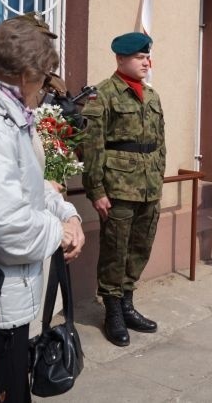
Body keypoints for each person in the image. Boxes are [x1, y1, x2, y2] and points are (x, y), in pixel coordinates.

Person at [0, 20, 86, 402]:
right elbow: (6, 225)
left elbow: (34, 188)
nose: (48, 86)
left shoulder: (16, 115)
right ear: (23, 75)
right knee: (7, 390)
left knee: (16, 386)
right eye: (44, 76)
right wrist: (59, 232)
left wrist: (69, 214)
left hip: (19, 288)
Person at [82, 32, 166, 346]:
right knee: (115, 250)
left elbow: (160, 144)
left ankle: (128, 302)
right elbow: (93, 147)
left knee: (140, 248)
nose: (147, 62)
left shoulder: (153, 96)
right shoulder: (102, 95)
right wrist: (97, 190)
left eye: (148, 57)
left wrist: (158, 179)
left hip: (148, 188)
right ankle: (113, 310)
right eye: (140, 57)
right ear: (120, 59)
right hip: (117, 189)